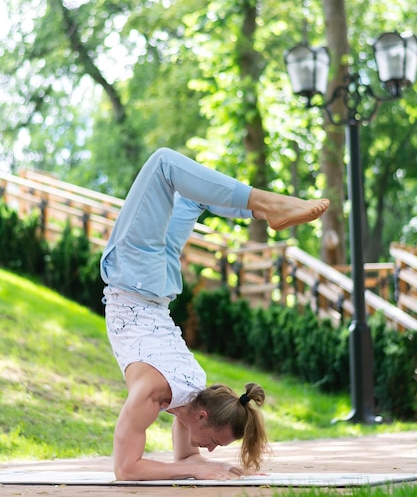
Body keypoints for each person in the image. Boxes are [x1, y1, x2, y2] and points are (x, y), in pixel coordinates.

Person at [100, 147, 329, 481]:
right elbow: (126, 468)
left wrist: (196, 466)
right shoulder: (155, 392)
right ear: (203, 416)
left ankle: (259, 211)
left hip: (156, 285)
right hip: (135, 277)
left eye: (213, 447)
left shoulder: (193, 387)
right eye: (213, 443)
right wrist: (190, 468)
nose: (210, 449)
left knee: (193, 199)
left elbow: (186, 457)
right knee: (163, 163)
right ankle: (267, 204)